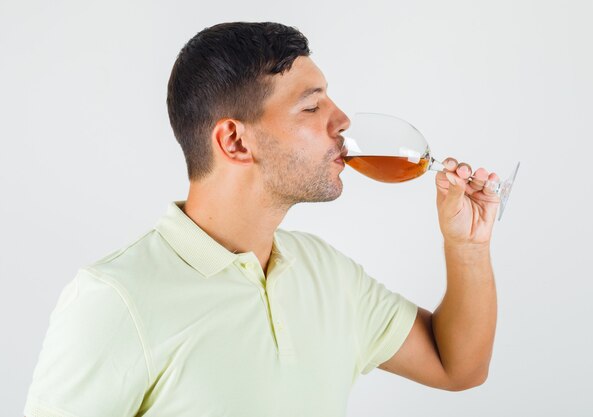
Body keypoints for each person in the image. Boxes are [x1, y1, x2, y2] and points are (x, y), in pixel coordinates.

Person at [23, 22, 501, 417]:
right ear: (234, 141)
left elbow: (457, 366)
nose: (342, 121)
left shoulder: (327, 274)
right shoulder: (115, 299)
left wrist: (468, 248)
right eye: (311, 106)